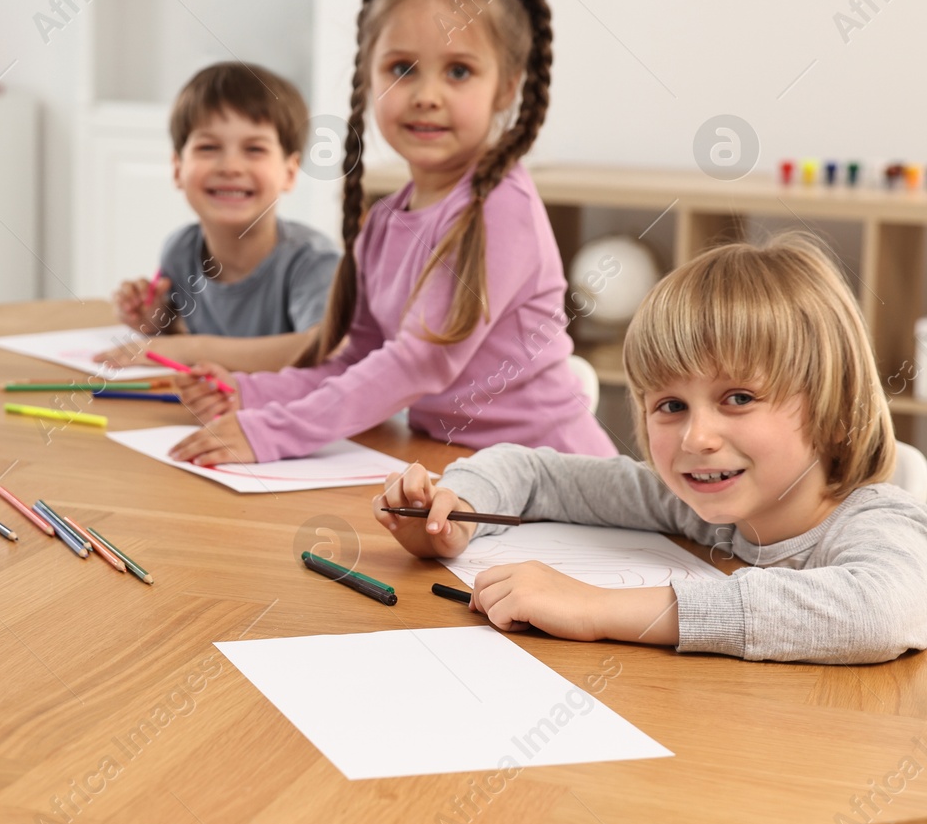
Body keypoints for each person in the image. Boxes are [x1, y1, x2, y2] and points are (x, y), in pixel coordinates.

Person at [376, 235, 927, 664]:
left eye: (738, 398)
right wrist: (456, 512)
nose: (696, 438)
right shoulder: (693, 501)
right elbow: (534, 473)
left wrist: (599, 608)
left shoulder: (878, 522)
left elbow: (881, 611)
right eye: (670, 405)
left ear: (838, 413)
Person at [169, 0, 615, 465]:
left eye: (459, 71)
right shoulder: (385, 220)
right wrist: (251, 394)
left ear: (507, 87)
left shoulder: (499, 208)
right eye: (401, 69)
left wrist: (270, 432)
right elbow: (358, 361)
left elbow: (417, 364)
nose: (427, 96)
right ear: (369, 74)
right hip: (457, 469)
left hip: (556, 481)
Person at [98, 61, 339, 374]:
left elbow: (321, 348)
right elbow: (185, 337)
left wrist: (189, 349)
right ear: (177, 169)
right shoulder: (180, 249)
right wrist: (157, 321)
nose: (230, 167)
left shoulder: (313, 261)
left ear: (289, 173)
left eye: (254, 149)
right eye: (209, 147)